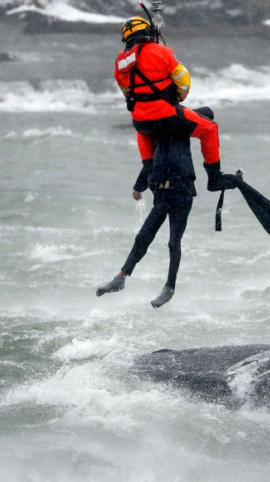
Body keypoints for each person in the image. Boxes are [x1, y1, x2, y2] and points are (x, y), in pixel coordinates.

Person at [96, 15, 233, 308]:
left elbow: (128, 94)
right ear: (148, 33)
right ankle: (215, 177)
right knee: (210, 129)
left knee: (145, 139)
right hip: (167, 118)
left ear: (126, 40)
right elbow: (183, 81)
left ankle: (124, 275)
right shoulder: (161, 52)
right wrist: (176, 96)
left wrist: (141, 180)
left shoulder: (120, 63)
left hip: (141, 122)